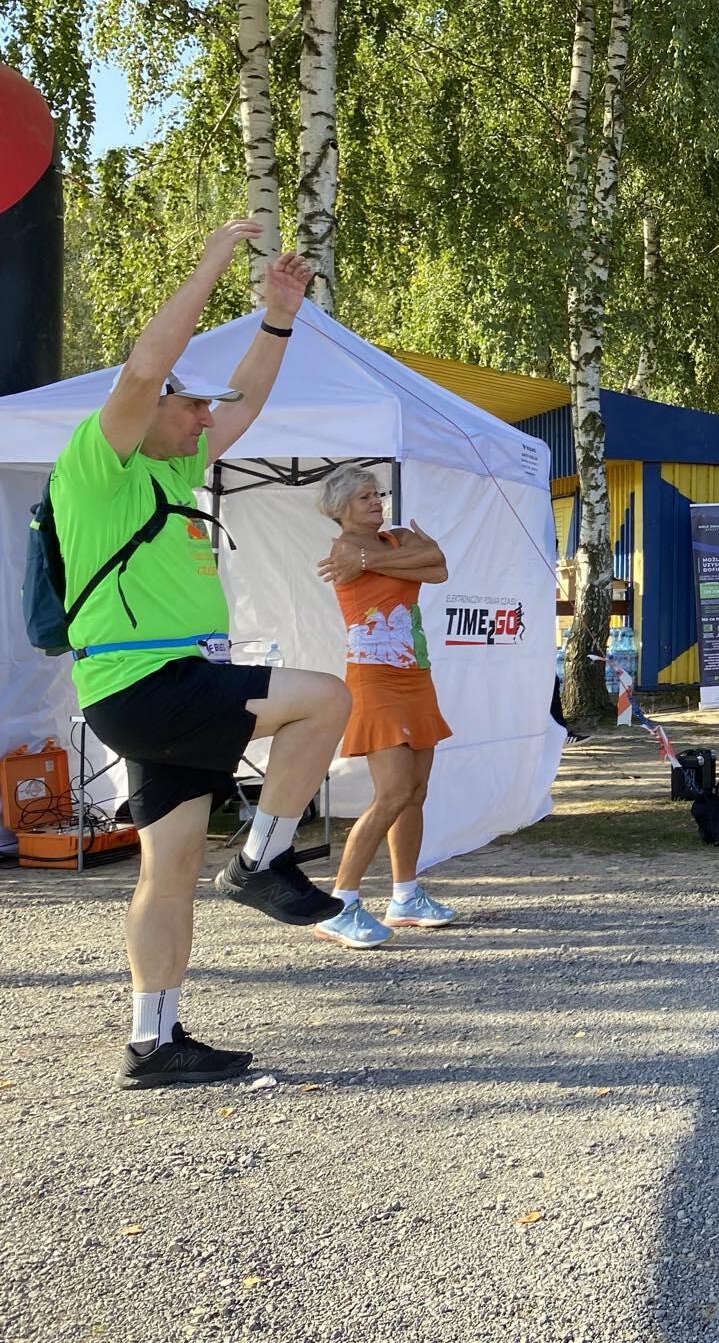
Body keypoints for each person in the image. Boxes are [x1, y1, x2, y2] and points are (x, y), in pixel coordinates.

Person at [53, 224, 353, 1090]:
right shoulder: (98, 468)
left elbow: (246, 402)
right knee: (325, 698)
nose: (205, 418)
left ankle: (154, 1043)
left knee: (170, 869)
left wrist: (279, 316)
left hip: (157, 689)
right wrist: (215, 259)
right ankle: (262, 860)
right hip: (149, 683)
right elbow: (145, 368)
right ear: (146, 410)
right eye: (190, 407)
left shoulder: (170, 474)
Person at [308, 467, 457, 949]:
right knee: (392, 794)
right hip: (374, 679)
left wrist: (372, 560)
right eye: (364, 497)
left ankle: (405, 896)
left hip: (415, 675)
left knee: (415, 792)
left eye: (378, 494)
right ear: (340, 509)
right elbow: (425, 562)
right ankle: (341, 905)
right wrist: (385, 560)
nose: (377, 502)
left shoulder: (391, 540)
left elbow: (439, 566)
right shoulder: (342, 550)